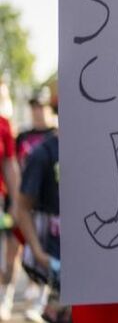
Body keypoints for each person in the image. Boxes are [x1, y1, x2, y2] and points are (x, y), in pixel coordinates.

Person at [15, 125, 66, 322]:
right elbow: (23, 207)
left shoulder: (95, 147)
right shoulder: (42, 154)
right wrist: (38, 253)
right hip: (57, 260)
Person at [0, 83, 19, 322]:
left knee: (6, 248)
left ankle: (4, 296)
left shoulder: (4, 125)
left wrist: (17, 200)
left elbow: (10, 164)